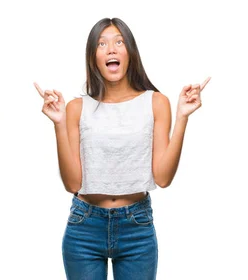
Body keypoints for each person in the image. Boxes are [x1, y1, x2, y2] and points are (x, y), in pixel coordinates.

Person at [35, 17, 209, 279]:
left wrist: (183, 117)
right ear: (93, 56)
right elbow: (72, 183)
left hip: (136, 227)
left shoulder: (156, 102)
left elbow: (162, 178)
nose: (111, 49)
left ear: (130, 52)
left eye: (119, 42)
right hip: (84, 227)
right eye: (102, 44)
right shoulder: (75, 108)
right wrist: (59, 123)